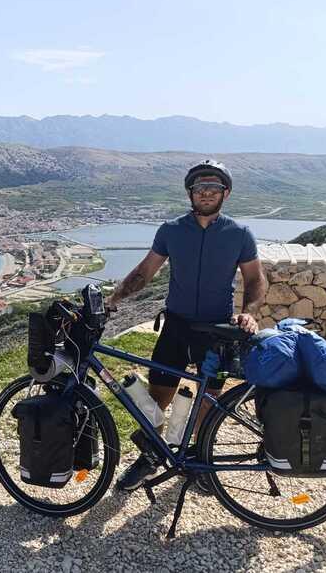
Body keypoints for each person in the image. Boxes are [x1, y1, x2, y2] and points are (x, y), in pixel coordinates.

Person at [106, 159, 266, 491]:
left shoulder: (239, 234)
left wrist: (249, 311)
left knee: (210, 399)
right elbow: (144, 273)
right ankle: (149, 457)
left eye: (213, 188)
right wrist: (115, 297)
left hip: (217, 329)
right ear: (190, 194)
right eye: (199, 189)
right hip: (176, 327)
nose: (206, 193)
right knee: (157, 396)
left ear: (226, 194)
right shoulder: (171, 230)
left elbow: (255, 279)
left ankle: (202, 460)